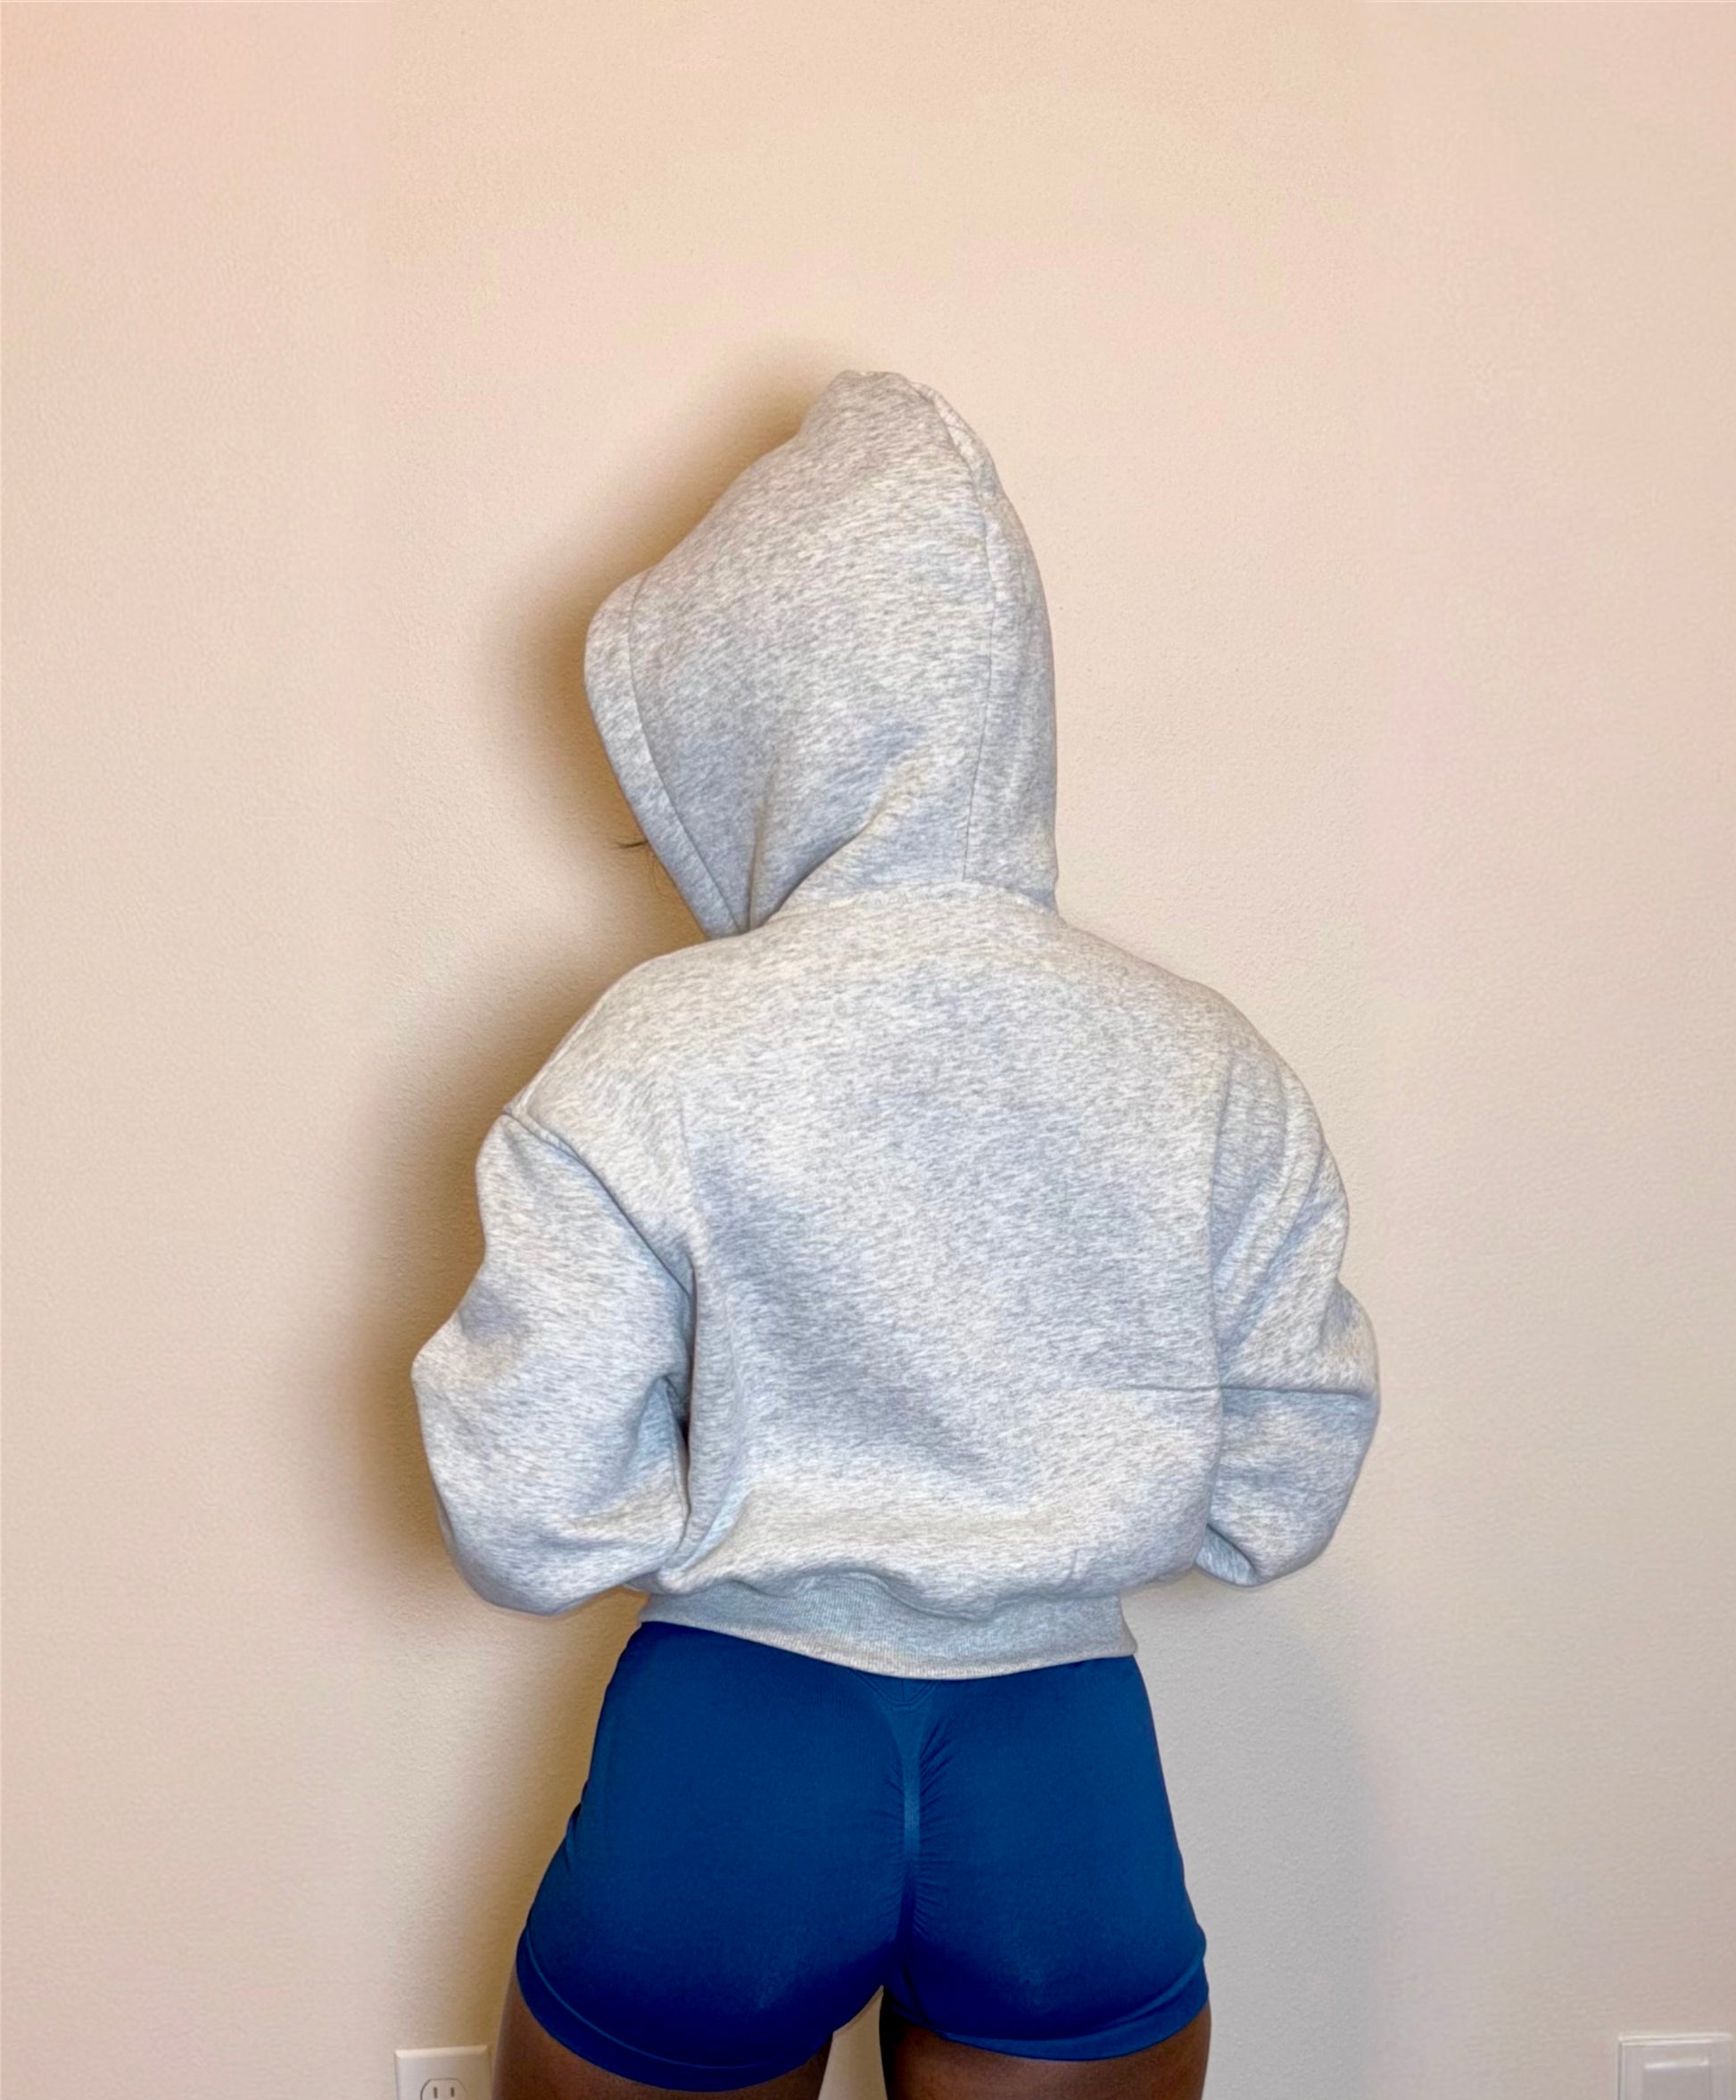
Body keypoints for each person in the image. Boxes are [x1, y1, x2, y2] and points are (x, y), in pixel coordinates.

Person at [409, 370, 1381, 2100]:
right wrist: (1053, 1497)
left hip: (728, 1763)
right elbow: (1285, 1478)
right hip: (1060, 1771)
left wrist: (758, 1511)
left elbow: (526, 1504)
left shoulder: (663, 1044)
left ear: (760, 716)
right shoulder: (1203, 1060)